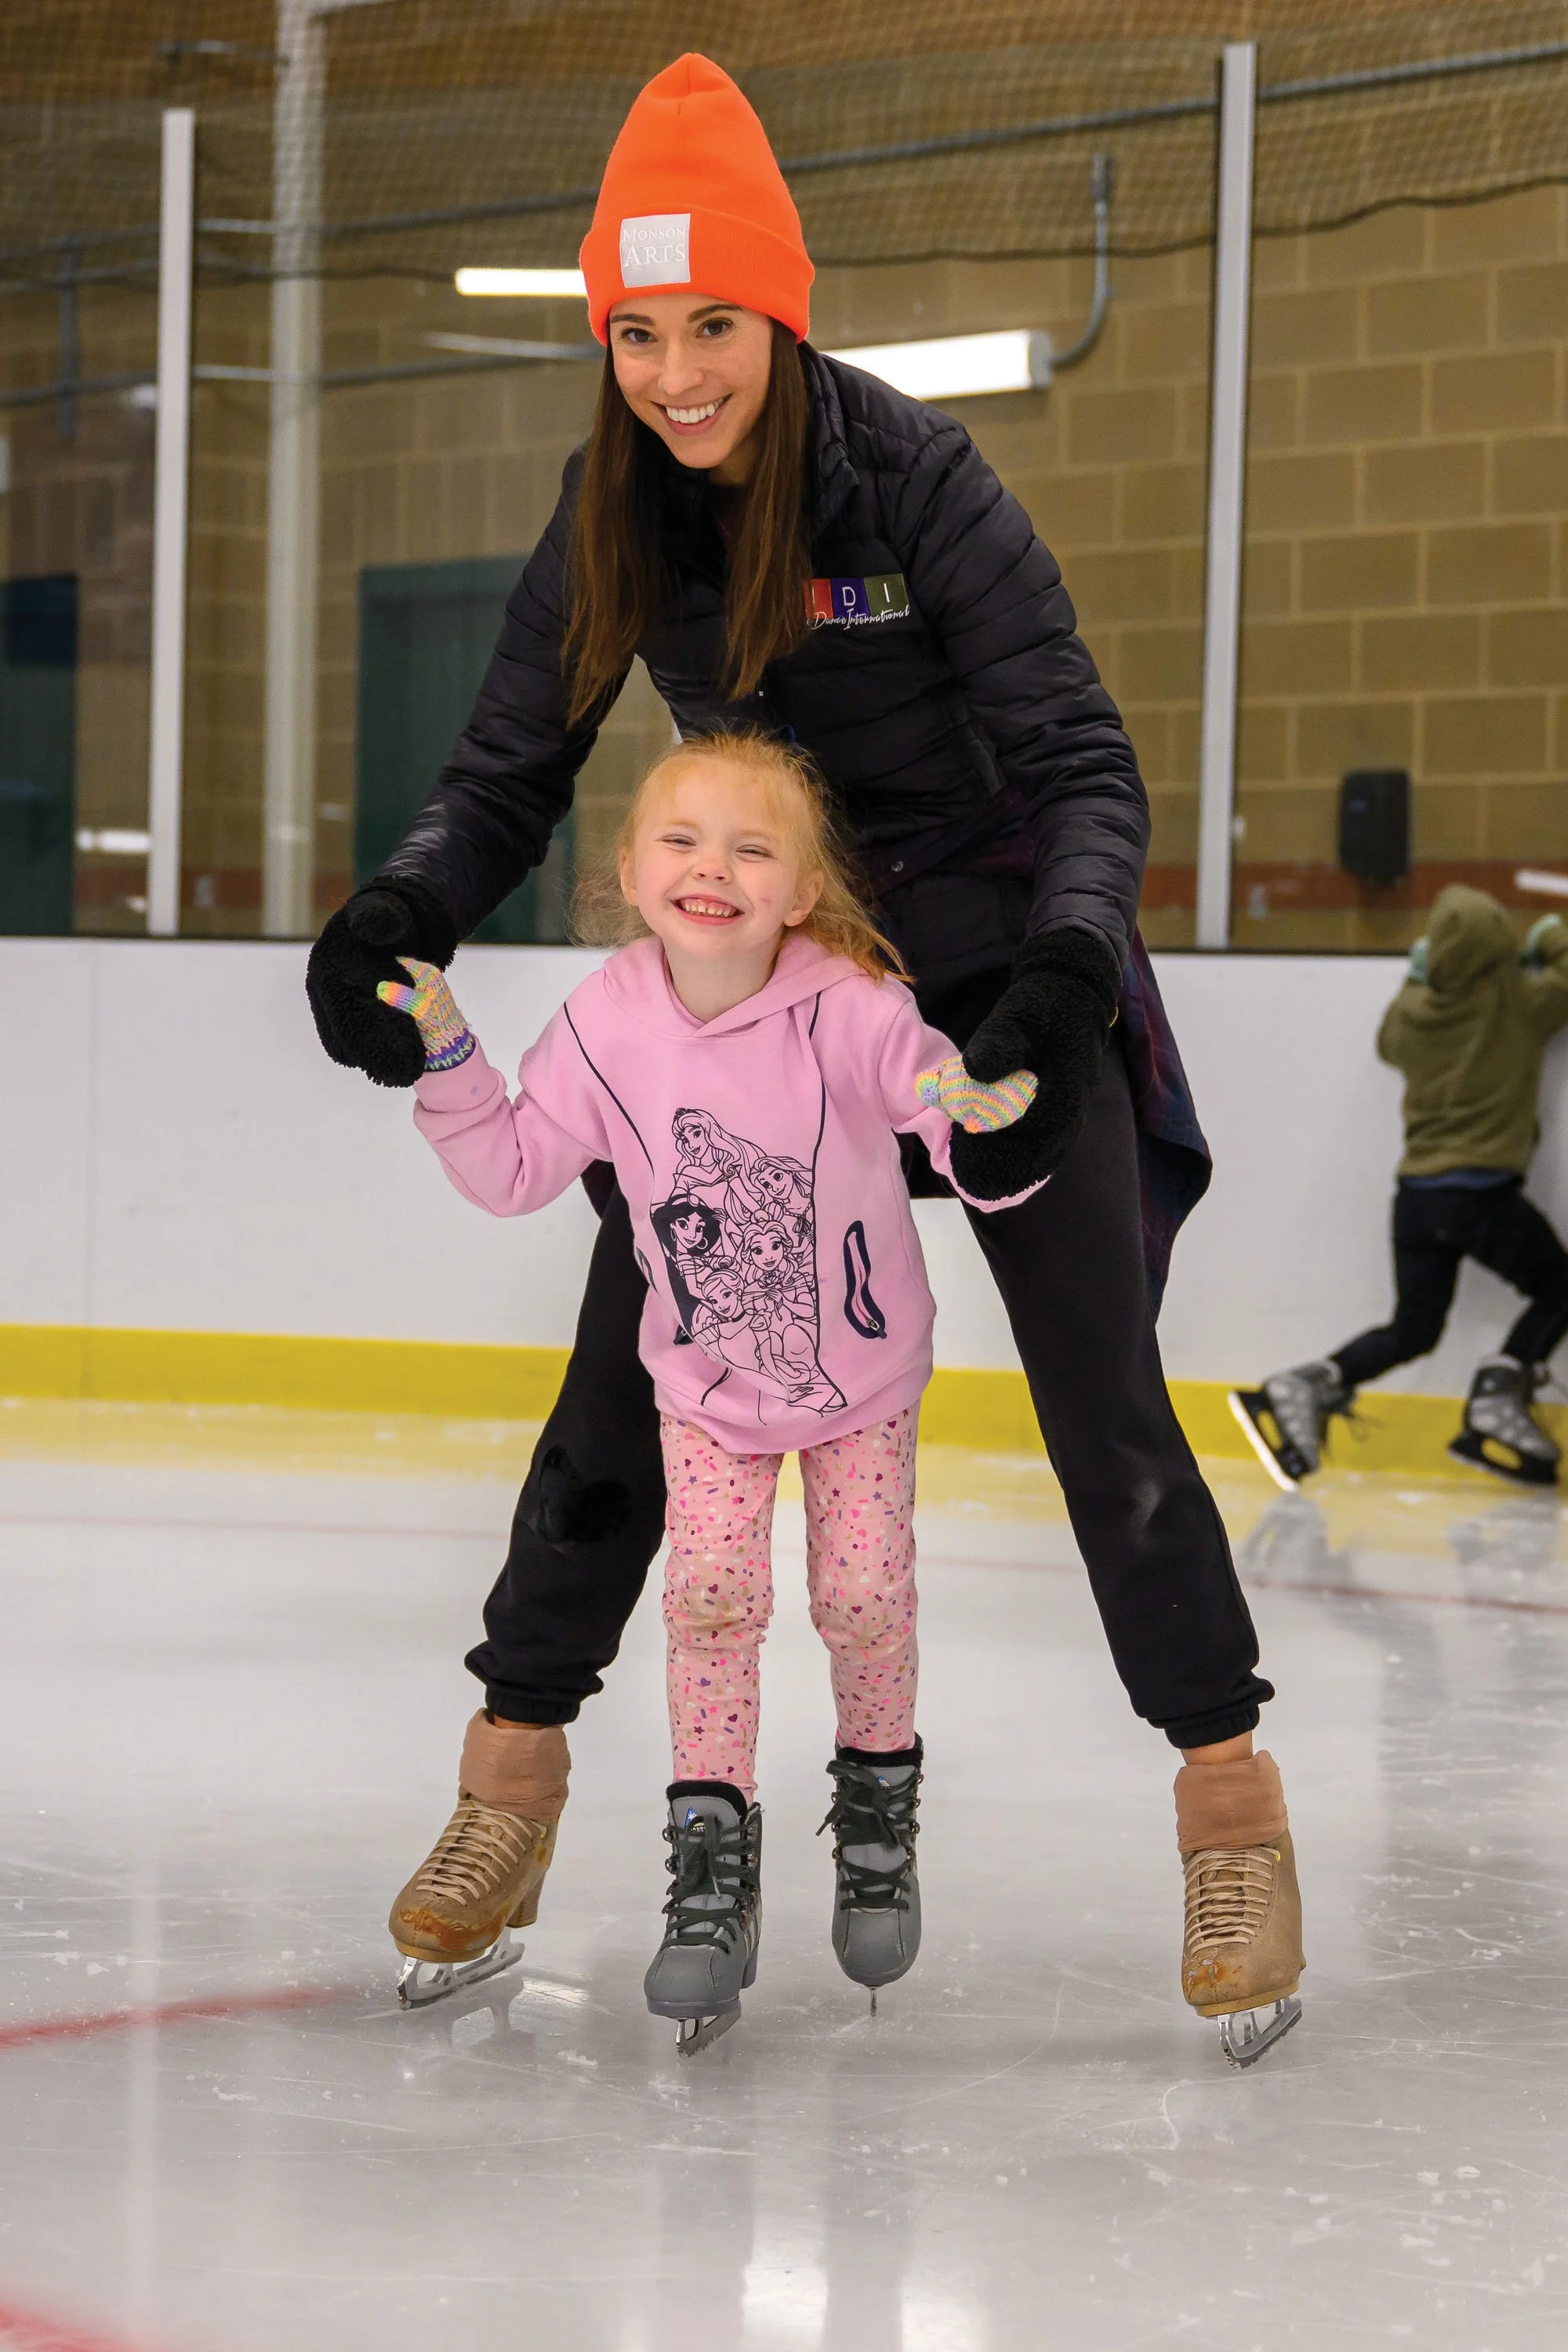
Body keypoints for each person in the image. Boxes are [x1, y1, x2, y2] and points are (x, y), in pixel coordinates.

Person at [307, 53, 1303, 2064]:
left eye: (714, 326)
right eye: (639, 331)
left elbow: (1080, 761)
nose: (677, 372)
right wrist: (402, 909)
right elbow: (506, 769)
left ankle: (1229, 1810)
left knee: (1105, 1416)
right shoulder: (615, 509)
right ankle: (508, 1786)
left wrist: (1053, 977)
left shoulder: (916, 480)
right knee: (616, 1397)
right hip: (750, 1018)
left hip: (990, 1004)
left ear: (783, 311)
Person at [375, 729, 1040, 2045]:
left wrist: (981, 1107)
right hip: (703, 1382)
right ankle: (709, 1880)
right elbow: (514, 1166)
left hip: (856, 1374)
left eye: (751, 848)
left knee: (860, 1596)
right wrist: (447, 1051)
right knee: (714, 1600)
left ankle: (876, 1813)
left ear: (801, 888)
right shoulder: (608, 1021)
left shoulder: (848, 1005)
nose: (712, 869)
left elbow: (932, 1103)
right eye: (681, 839)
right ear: (629, 868)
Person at [1232, 887, 1568, 1492]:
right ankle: (1501, 1390)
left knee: (1413, 1328)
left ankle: (1305, 1383)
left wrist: (1419, 979)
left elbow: (1388, 1043)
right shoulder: (1519, 1000)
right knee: (1562, 1286)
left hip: (1416, 1198)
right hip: (1481, 1193)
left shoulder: (1415, 1011)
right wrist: (1548, 936)